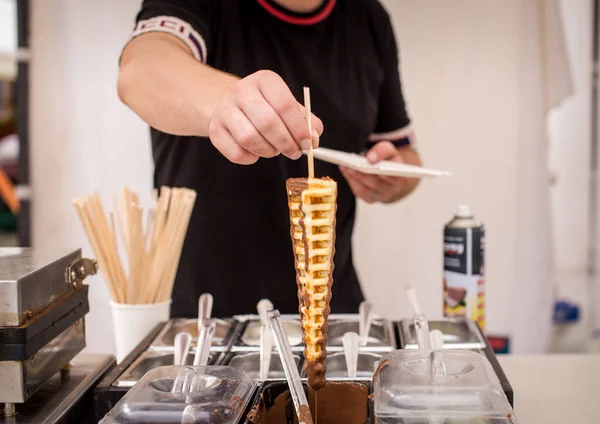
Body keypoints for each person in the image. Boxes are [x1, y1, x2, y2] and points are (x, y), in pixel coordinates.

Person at [118, 0, 422, 318]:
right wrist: (221, 100)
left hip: (330, 309)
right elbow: (139, 71)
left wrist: (393, 177)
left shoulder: (369, 17)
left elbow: (405, 154)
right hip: (206, 318)